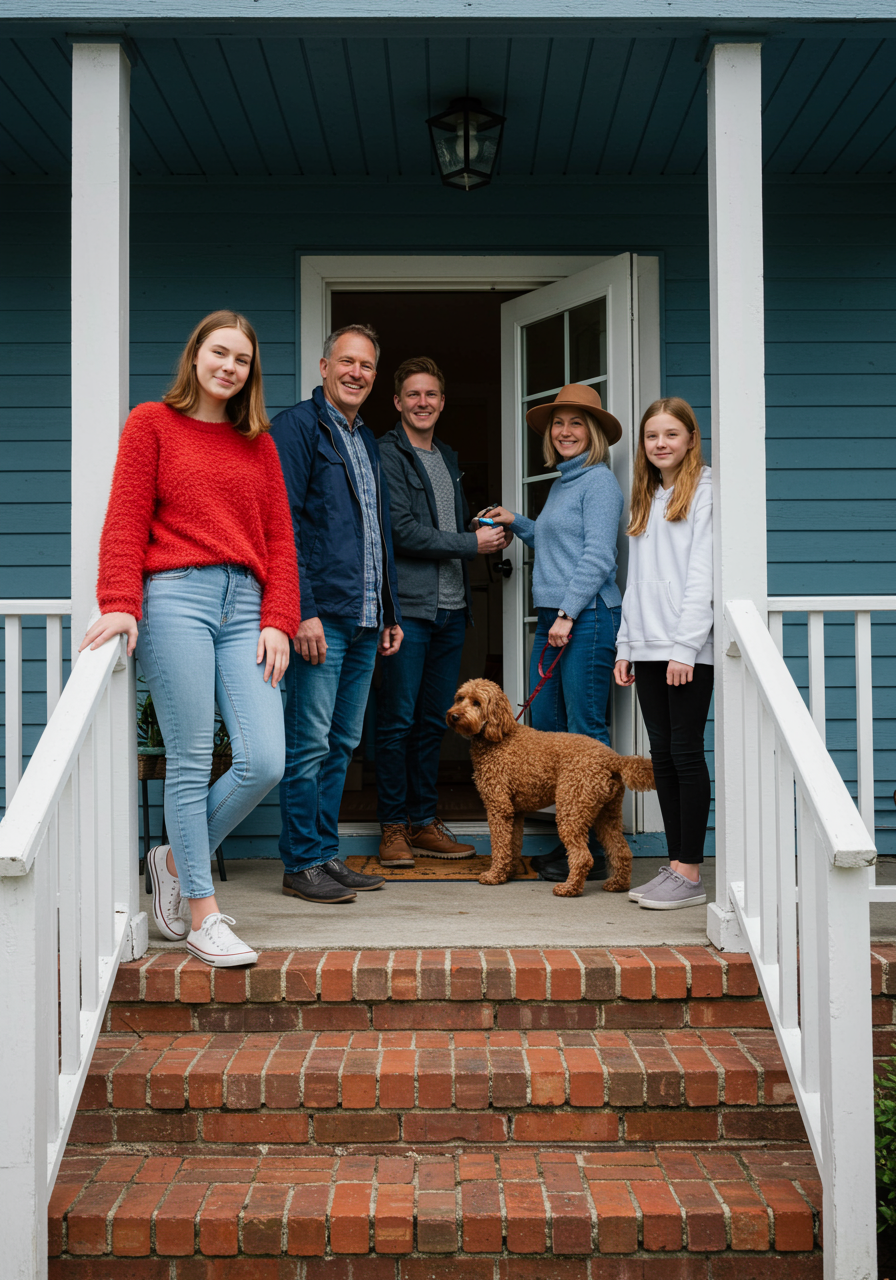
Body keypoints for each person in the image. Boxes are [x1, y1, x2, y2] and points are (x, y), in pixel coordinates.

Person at [81, 310, 300, 967]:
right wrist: (121, 603)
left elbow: (281, 540)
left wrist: (279, 618)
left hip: (247, 607)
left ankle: (174, 860)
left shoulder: (258, 444)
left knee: (265, 760)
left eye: (242, 359)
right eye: (220, 353)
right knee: (192, 756)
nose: (229, 367)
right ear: (196, 355)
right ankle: (203, 915)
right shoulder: (152, 423)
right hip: (176, 597)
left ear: (251, 372)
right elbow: (125, 518)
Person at [270, 324, 403, 904]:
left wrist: (389, 610)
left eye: (366, 365)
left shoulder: (365, 438)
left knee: (342, 743)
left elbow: (377, 533)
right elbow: (283, 524)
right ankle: (301, 861)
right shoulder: (298, 427)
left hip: (365, 617)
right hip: (321, 617)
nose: (356, 373)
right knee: (308, 744)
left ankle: (324, 855)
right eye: (347, 362)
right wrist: (302, 610)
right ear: (324, 367)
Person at [484, 383, 624, 881]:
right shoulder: (564, 482)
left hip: (585, 616)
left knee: (585, 732)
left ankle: (598, 851)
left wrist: (567, 612)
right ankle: (573, 842)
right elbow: (556, 541)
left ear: (593, 433)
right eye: (558, 423)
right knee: (547, 726)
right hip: (555, 617)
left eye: (576, 423)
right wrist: (519, 522)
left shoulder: (599, 483)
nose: (565, 431)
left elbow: (598, 555)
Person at [375, 357, 511, 867]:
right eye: (413, 394)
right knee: (397, 721)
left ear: (442, 402)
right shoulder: (387, 454)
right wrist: (471, 544)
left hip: (453, 609)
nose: (423, 402)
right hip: (409, 610)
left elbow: (442, 527)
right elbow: (402, 532)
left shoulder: (447, 456)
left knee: (434, 722)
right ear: (397, 402)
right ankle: (393, 828)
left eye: (431, 394)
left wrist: (479, 530)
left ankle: (422, 822)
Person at [613, 396, 713, 911]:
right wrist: (626, 644)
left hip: (685, 648)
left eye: (671, 434)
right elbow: (637, 581)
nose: (660, 443)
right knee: (664, 756)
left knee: (686, 752)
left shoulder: (706, 492)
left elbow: (702, 577)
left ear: (691, 439)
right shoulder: (647, 496)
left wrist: (685, 647)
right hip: (648, 645)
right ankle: (675, 866)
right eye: (652, 436)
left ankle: (690, 870)